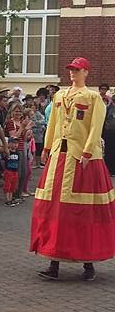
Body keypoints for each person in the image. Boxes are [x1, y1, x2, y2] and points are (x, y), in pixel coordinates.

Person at [31, 57, 115, 281]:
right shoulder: (59, 96)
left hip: (82, 159)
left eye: (77, 70)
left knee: (84, 210)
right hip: (59, 156)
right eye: (71, 69)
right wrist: (47, 146)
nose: (72, 73)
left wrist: (87, 152)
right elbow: (53, 123)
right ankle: (54, 261)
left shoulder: (93, 97)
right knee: (55, 209)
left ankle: (88, 263)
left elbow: (96, 127)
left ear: (86, 72)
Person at [2, 136, 21, 206]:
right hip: (8, 170)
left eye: (17, 143)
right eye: (13, 143)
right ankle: (7, 200)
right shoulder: (7, 152)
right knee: (8, 185)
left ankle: (11, 198)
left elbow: (18, 162)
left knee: (13, 185)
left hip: (15, 171)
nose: (15, 145)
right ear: (9, 143)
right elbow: (4, 160)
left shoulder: (18, 153)